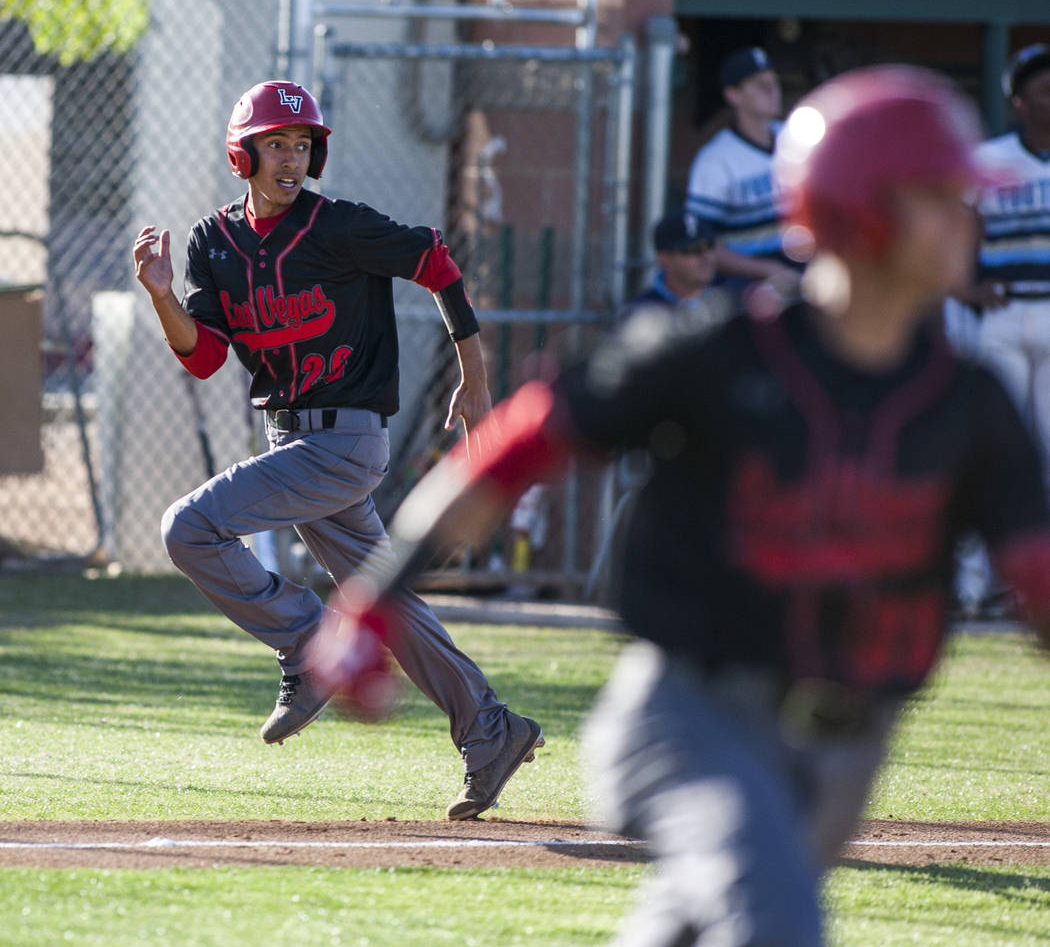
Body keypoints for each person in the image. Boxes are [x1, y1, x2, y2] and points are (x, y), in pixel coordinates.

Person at [306, 65, 1050, 945]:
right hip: (691, 713)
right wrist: (370, 605)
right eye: (943, 196)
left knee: (699, 924)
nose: (972, 217)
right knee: (775, 920)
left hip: (849, 743)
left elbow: (1035, 573)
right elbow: (522, 446)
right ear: (863, 208)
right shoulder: (723, 356)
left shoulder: (969, 401)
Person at [131, 79, 543, 821]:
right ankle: (491, 729)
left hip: (347, 441)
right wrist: (162, 296)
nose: (290, 159)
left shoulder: (337, 225)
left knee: (188, 528)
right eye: (275, 145)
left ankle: (306, 640)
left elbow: (436, 264)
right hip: (289, 436)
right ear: (242, 153)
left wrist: (475, 381)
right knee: (383, 599)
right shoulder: (212, 243)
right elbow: (202, 357)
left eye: (300, 145)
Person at [946, 43, 1050, 618]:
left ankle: (1035, 589)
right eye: (1043, 88)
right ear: (1018, 99)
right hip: (1004, 316)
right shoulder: (990, 161)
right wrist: (965, 290)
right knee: (990, 449)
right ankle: (971, 583)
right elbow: (953, 234)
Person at [685, 46, 802, 301]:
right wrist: (769, 270)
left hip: (803, 275)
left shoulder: (798, 139)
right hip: (745, 288)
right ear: (733, 95)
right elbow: (702, 245)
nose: (773, 91)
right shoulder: (715, 160)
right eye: (760, 85)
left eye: (774, 83)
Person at [621, 209, 719, 317]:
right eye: (694, 249)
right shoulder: (640, 313)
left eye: (710, 246)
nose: (705, 256)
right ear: (664, 259)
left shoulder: (731, 299)